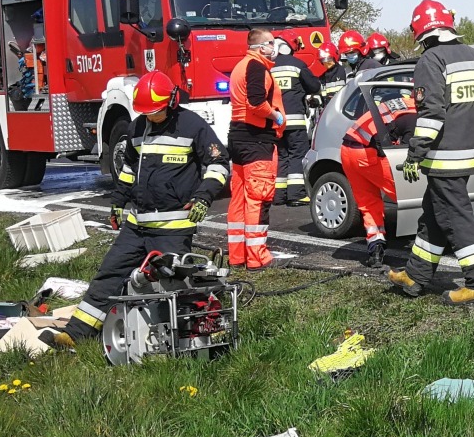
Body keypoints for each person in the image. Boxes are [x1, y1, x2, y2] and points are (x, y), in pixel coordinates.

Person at [41, 71, 228, 351]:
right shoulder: (137, 127)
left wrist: (203, 197)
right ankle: (75, 335)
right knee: (109, 274)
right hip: (136, 226)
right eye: (147, 112)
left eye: (156, 111)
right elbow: (129, 170)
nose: (152, 117)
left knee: (174, 286)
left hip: (172, 230)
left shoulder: (192, 126)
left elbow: (219, 164)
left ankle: (183, 342)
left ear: (172, 101)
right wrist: (118, 200)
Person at [388, 0, 474, 306]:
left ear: (421, 32)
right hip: (469, 153)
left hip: (442, 157)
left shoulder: (431, 61)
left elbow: (431, 115)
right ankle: (416, 275)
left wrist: (415, 153)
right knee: (433, 215)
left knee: (455, 216)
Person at [227, 27, 285, 269]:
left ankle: (238, 255)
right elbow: (256, 102)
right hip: (256, 140)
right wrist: (276, 117)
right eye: (271, 43)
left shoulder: (241, 65)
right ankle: (257, 257)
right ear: (262, 47)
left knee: (239, 198)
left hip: (238, 138)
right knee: (258, 199)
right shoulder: (256, 67)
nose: (274, 48)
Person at [342, 83, 416, 267]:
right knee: (411, 197)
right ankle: (425, 246)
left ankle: (375, 250)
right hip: (369, 154)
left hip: (347, 150)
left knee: (368, 204)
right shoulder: (415, 117)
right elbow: (408, 152)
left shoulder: (402, 104)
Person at [271, 37, 316, 204]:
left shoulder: (270, 67)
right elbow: (314, 86)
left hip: (276, 122)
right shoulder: (297, 64)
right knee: (297, 155)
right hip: (295, 121)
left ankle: (279, 195)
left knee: (283, 156)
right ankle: (296, 194)